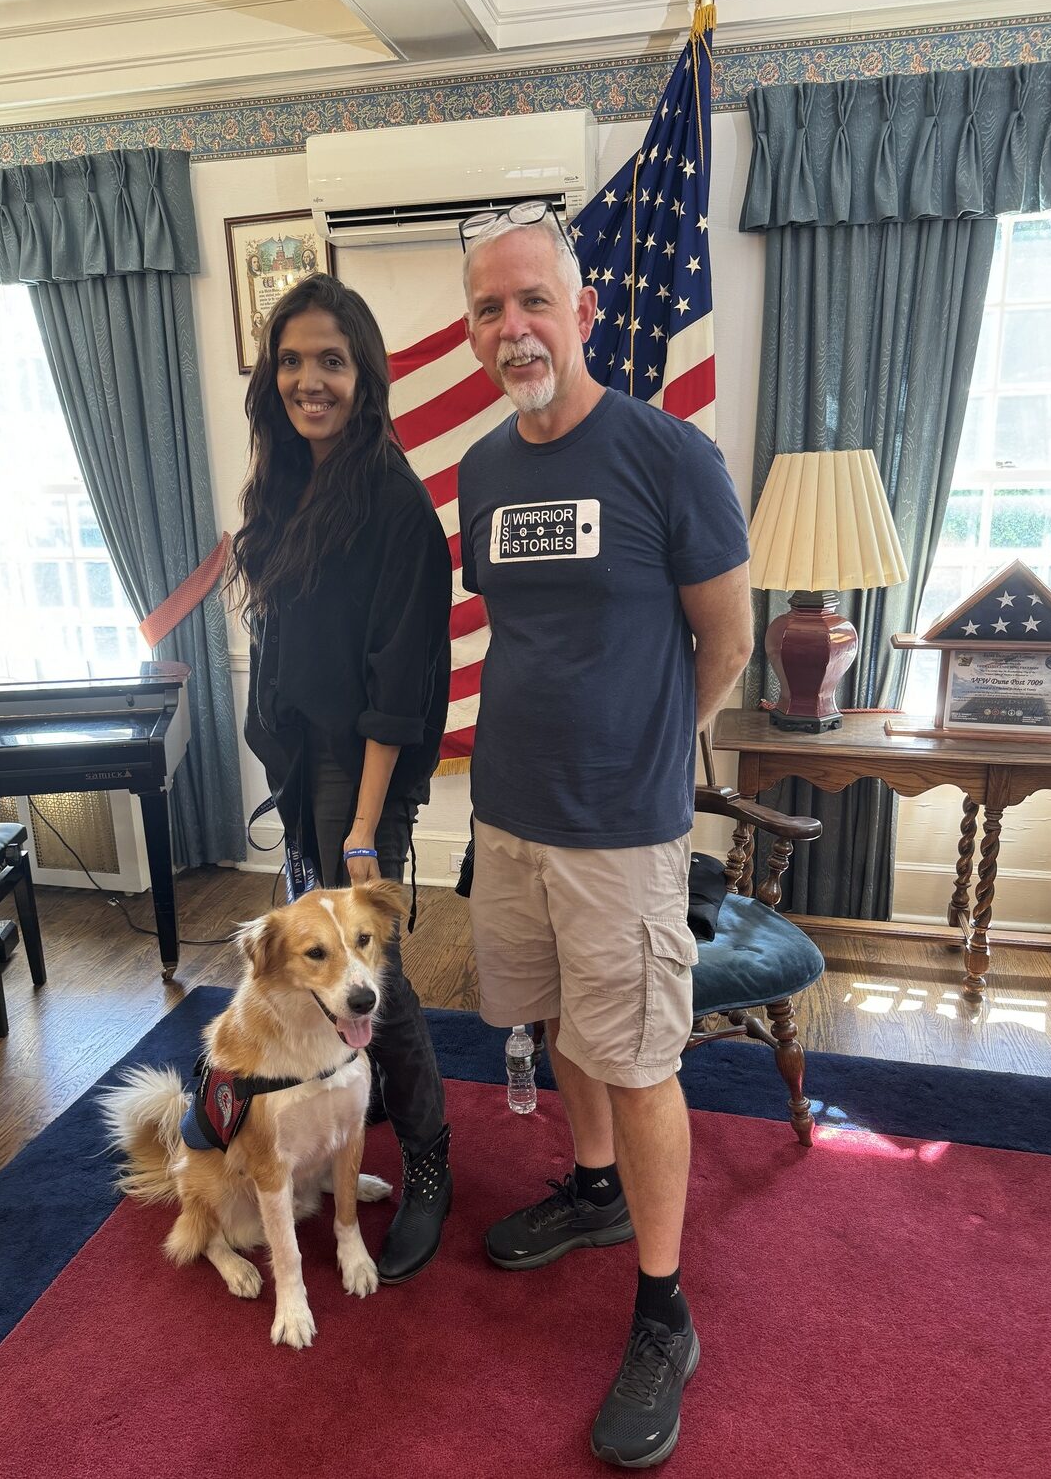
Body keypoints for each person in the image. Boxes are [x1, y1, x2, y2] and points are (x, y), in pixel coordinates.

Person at [456, 203, 753, 1468]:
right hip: (507, 813)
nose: (513, 327)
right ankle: (588, 1190)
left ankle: (663, 1305)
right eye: (488, 310)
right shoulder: (479, 471)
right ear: (474, 336)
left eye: (533, 301)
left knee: (638, 1058)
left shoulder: (668, 455)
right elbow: (522, 631)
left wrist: (645, 750)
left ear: (584, 313)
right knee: (553, 1022)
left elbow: (726, 638)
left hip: (622, 828)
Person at [226, 273, 453, 1285]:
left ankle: (432, 1161)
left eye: (330, 361)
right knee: (322, 979)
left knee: (374, 991)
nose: (308, 380)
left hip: (357, 778)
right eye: (291, 361)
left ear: (365, 375)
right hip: (302, 760)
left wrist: (362, 831)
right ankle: (324, 1124)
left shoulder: (394, 505)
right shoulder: (285, 487)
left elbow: (396, 692)